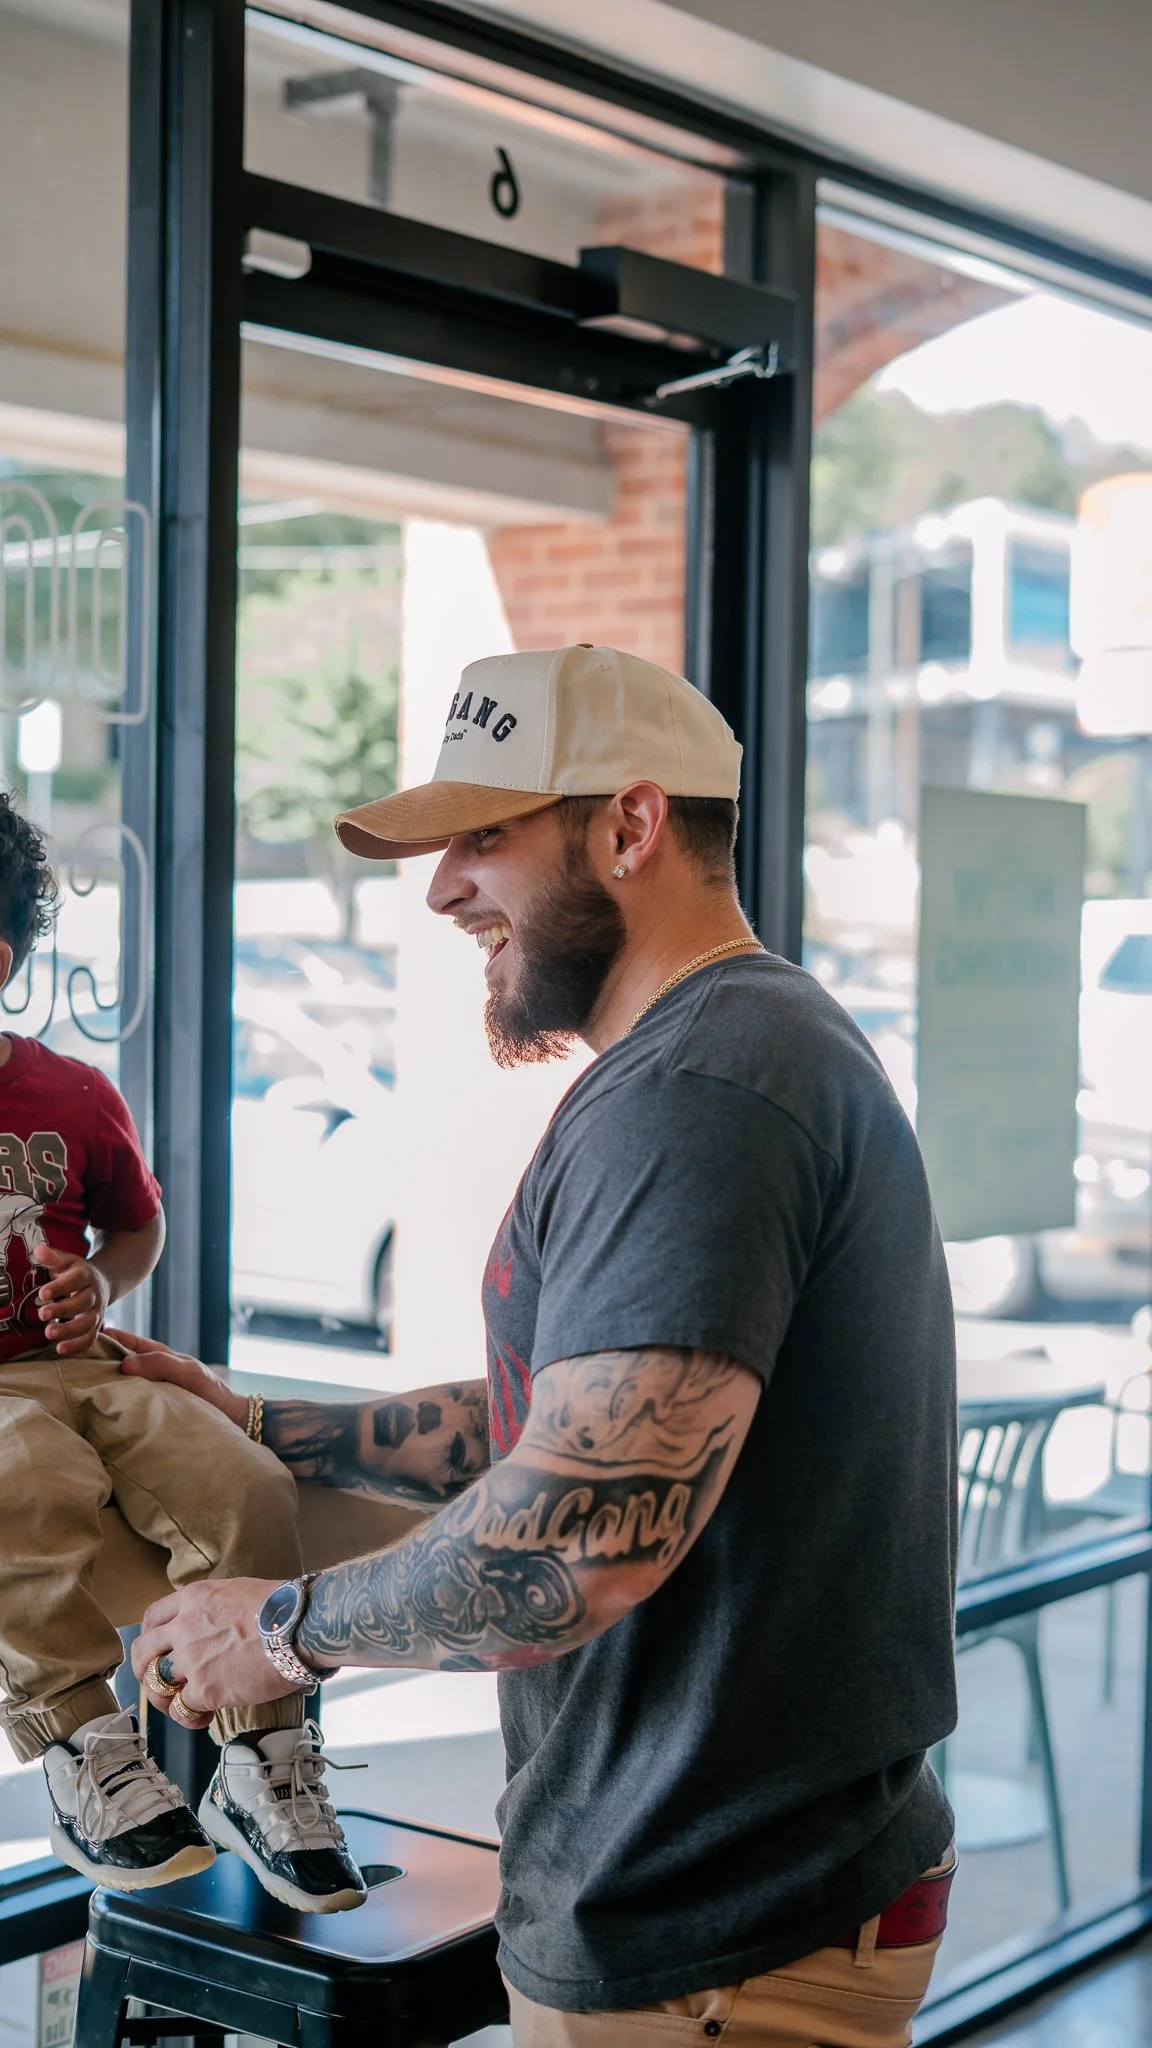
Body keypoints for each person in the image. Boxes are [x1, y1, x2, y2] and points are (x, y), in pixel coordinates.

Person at [127, 645, 958, 2045]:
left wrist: (282, 1634)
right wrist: (259, 1425)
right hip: (728, 1903)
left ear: (630, 825)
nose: (448, 885)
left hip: (717, 1934)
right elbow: (566, 1419)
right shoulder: (727, 1054)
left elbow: (580, 1532)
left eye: (485, 836)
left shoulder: (703, 1089)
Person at [0, 794, 364, 1912]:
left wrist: (98, 1280)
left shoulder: (70, 1092)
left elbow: (137, 1226)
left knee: (242, 1478)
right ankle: (84, 1746)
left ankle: (262, 1759)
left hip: (92, 1365)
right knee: (27, 1480)